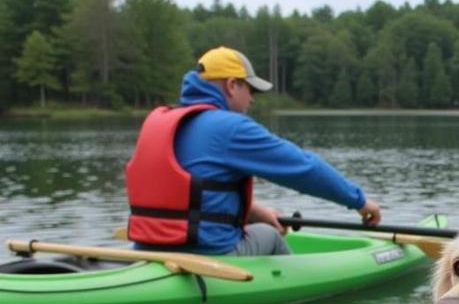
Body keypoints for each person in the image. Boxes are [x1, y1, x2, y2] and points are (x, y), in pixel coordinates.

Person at [125, 46, 381, 256]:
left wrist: (255, 212)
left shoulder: (160, 120)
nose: (253, 99)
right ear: (232, 85)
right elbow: (304, 169)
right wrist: (358, 201)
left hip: (146, 249)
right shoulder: (231, 128)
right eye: (251, 89)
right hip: (206, 253)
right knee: (269, 235)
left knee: (258, 225)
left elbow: (192, 192)